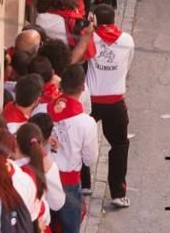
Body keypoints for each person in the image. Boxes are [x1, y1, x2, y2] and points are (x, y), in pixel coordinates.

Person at [79, 4, 134, 208]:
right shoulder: (127, 41)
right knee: (119, 145)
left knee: (81, 140)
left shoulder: (90, 39)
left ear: (94, 19)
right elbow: (127, 65)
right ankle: (118, 193)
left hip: (91, 100)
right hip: (115, 101)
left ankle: (84, 183)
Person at [49, 65, 99, 233]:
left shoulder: (44, 108)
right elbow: (89, 159)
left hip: (45, 178)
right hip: (69, 182)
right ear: (83, 87)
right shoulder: (86, 123)